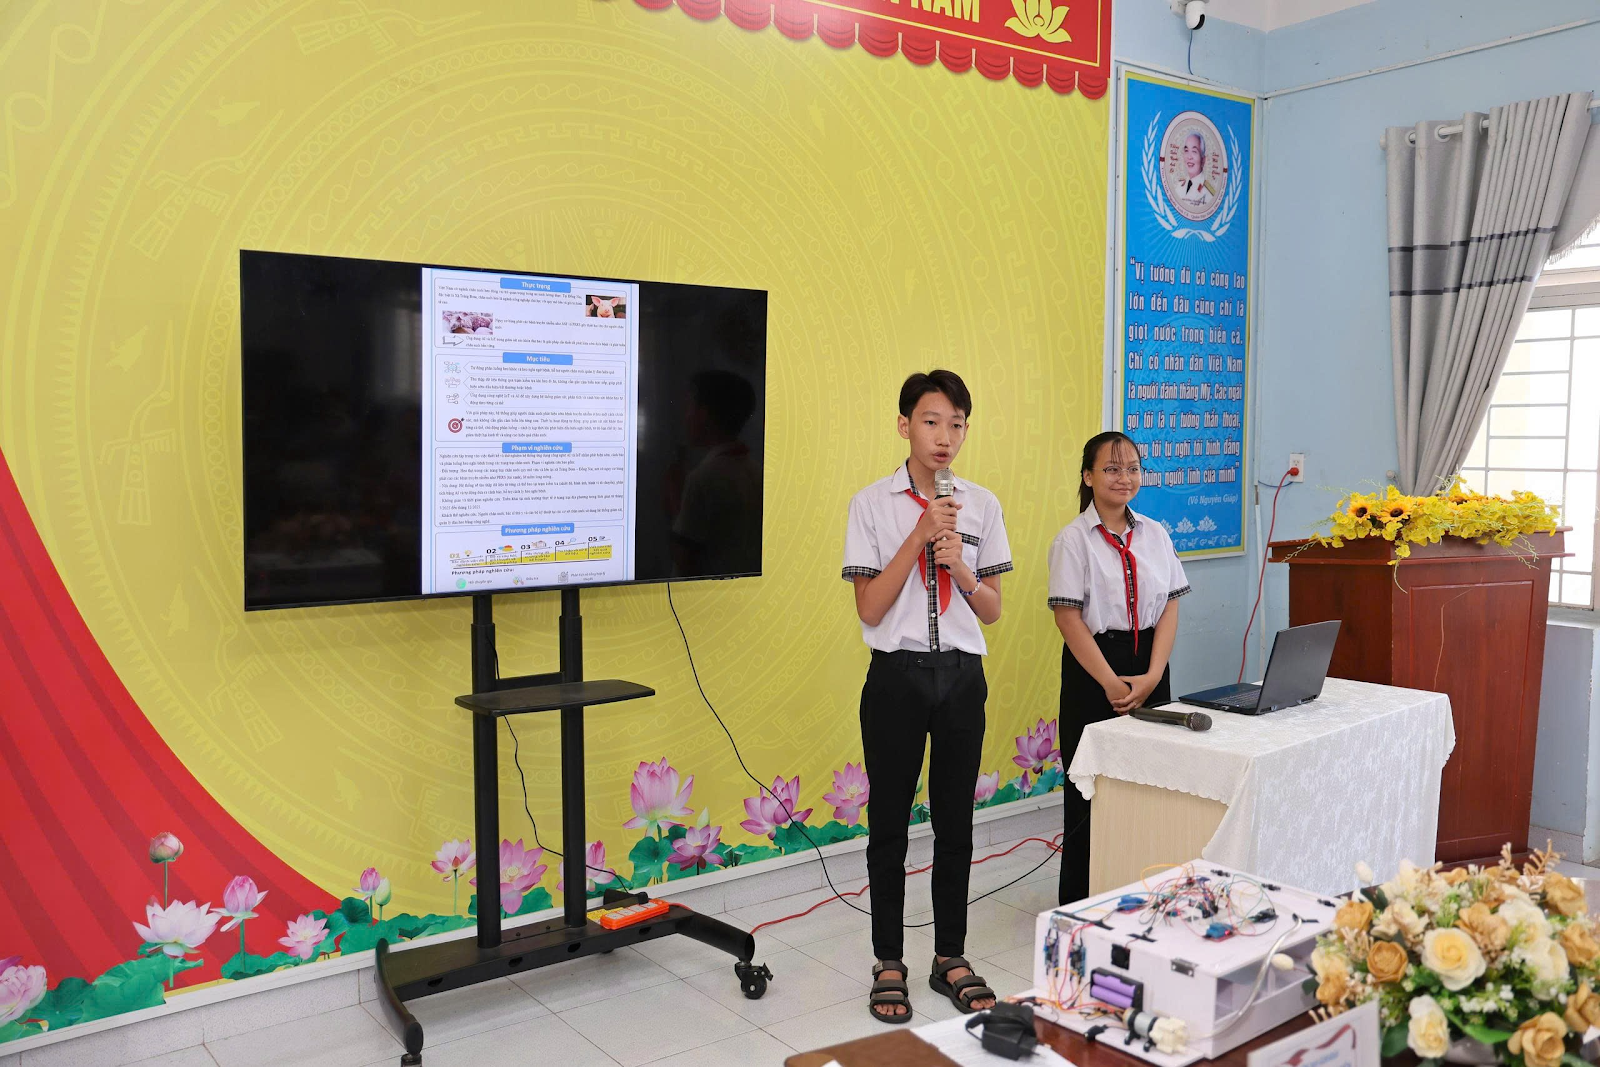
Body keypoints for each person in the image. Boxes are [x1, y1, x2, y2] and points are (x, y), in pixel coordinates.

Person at [841, 369, 1012, 1024]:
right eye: (932, 420)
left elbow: (991, 609)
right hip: (896, 675)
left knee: (955, 823)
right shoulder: (871, 504)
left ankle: (950, 956)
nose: (945, 436)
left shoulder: (982, 505)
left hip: (962, 676)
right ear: (904, 425)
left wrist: (959, 563)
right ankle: (889, 958)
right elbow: (870, 606)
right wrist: (918, 535)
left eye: (957, 423)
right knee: (888, 824)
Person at [1048, 431, 1189, 905]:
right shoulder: (1072, 540)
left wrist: (1154, 674)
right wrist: (1110, 682)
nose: (1123, 477)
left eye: (1132, 468)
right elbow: (1068, 617)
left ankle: (1146, 895)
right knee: (1092, 791)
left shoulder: (1156, 533)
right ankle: (1083, 903)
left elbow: (1170, 606)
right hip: (1094, 671)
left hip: (1151, 665)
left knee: (1153, 783)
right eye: (1111, 468)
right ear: (1088, 477)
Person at [1177, 131, 1216, 208]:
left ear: (1203, 160)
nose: (1189, 157)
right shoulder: (1179, 186)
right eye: (1186, 151)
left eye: (1194, 151)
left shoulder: (1209, 192)